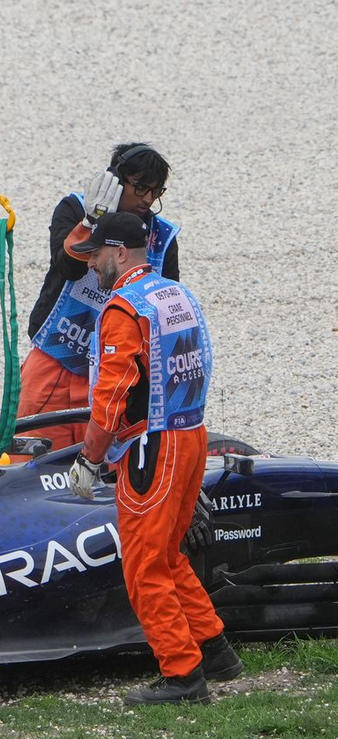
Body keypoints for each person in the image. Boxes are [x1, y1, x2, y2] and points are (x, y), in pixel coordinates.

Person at [65, 212, 243, 705]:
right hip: (191, 436)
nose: (91, 265)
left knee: (144, 565)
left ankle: (182, 675)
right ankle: (215, 650)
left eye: (97, 255)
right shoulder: (176, 294)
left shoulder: (124, 309)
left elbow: (112, 394)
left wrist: (89, 458)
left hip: (152, 447)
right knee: (167, 555)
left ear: (119, 252)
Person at [19, 144, 180, 450]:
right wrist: (90, 223)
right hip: (54, 358)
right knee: (30, 456)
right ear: (115, 181)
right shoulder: (74, 209)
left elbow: (166, 309)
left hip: (115, 370)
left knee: (103, 465)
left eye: (156, 191)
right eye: (140, 188)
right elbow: (67, 266)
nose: (147, 199)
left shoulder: (162, 238)